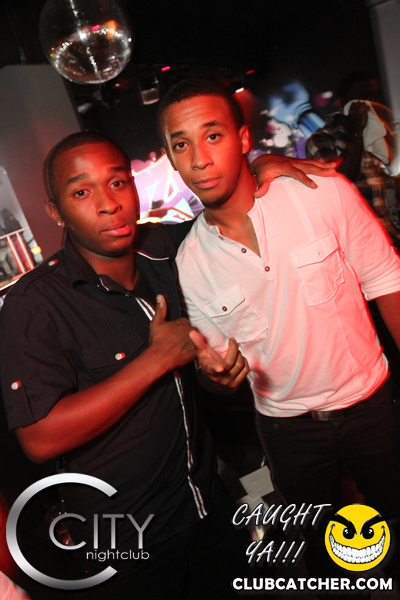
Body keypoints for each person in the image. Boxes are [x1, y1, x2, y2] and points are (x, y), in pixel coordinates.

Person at [0, 131, 335, 599]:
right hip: (126, 540)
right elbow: (40, 438)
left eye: (118, 183)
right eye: (81, 192)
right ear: (56, 211)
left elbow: (223, 212)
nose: (108, 204)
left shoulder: (162, 248)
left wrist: (259, 167)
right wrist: (155, 360)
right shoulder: (35, 304)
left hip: (207, 506)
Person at [157, 77, 400, 584]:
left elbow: (387, 281)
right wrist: (213, 378)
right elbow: (217, 367)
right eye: (181, 144)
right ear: (172, 159)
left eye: (213, 135)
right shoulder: (190, 264)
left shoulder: (321, 195)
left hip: (372, 406)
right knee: (328, 557)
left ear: (244, 138)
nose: (199, 158)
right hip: (287, 431)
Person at [306, 71, 400, 249]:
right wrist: (357, 133)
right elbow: (339, 182)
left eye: (374, 97)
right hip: (365, 246)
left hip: (390, 237)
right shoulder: (321, 139)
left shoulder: (374, 135)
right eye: (363, 98)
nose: (369, 104)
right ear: (344, 103)